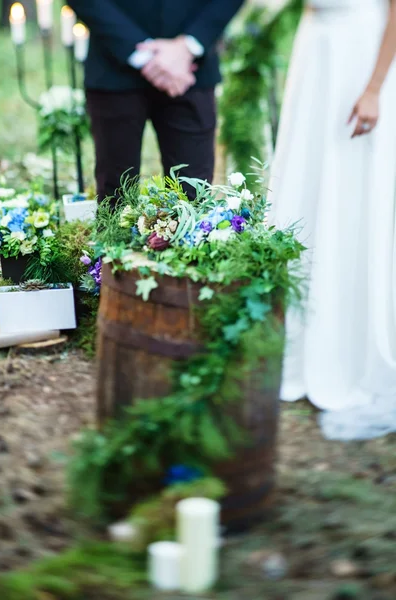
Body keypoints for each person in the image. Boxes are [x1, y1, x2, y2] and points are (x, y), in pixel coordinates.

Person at [268, 0, 396, 439]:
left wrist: (375, 88)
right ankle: (302, 348)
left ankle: (350, 352)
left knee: (351, 193)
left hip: (362, 56)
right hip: (318, 51)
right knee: (310, 186)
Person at [67, 0, 244, 202]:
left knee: (193, 198)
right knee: (116, 196)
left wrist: (188, 46)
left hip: (190, 74)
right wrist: (141, 55)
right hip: (113, 67)